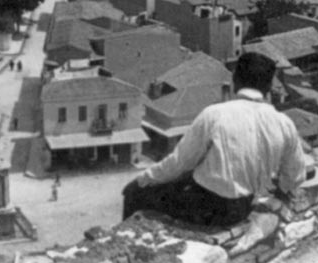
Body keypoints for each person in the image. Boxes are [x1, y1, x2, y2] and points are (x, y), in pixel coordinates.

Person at [121, 52, 307, 228]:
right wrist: (281, 190)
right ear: (267, 88)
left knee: (135, 193)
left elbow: (180, 162)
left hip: (207, 208)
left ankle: (128, 245)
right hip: (243, 208)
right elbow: (296, 174)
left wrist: (142, 180)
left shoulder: (214, 114)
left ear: (235, 81)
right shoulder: (284, 123)